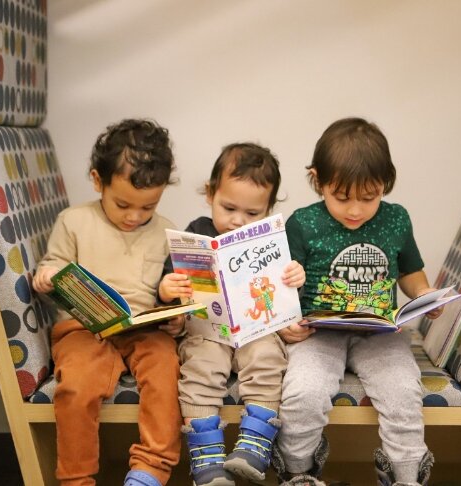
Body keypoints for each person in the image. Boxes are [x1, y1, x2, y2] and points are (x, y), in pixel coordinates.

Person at [272, 117, 441, 486]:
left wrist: (426, 296)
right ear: (318, 180)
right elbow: (282, 289)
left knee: (403, 390)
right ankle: (298, 471)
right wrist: (286, 323)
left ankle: (406, 474)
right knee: (303, 392)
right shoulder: (303, 223)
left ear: (386, 183)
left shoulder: (396, 219)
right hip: (317, 334)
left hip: (380, 334)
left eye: (369, 197)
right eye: (341, 197)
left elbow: (411, 275)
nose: (355, 210)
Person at [32, 119, 183, 486]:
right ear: (98, 181)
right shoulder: (74, 221)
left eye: (148, 207)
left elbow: (171, 291)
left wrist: (175, 314)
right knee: (76, 387)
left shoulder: (165, 230)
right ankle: (77, 477)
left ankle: (151, 468)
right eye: (123, 204)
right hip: (84, 327)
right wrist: (47, 275)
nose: (135, 216)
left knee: (167, 372)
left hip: (143, 328)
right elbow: (51, 265)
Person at [157, 143, 306, 486]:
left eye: (253, 213)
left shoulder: (272, 240)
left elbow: (286, 295)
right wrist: (168, 290)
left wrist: (294, 277)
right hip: (207, 328)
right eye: (228, 207)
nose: (238, 220)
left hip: (257, 327)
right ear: (210, 193)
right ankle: (206, 459)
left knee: (268, 357)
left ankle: (255, 445)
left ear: (269, 209)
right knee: (200, 367)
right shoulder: (196, 231)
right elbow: (170, 286)